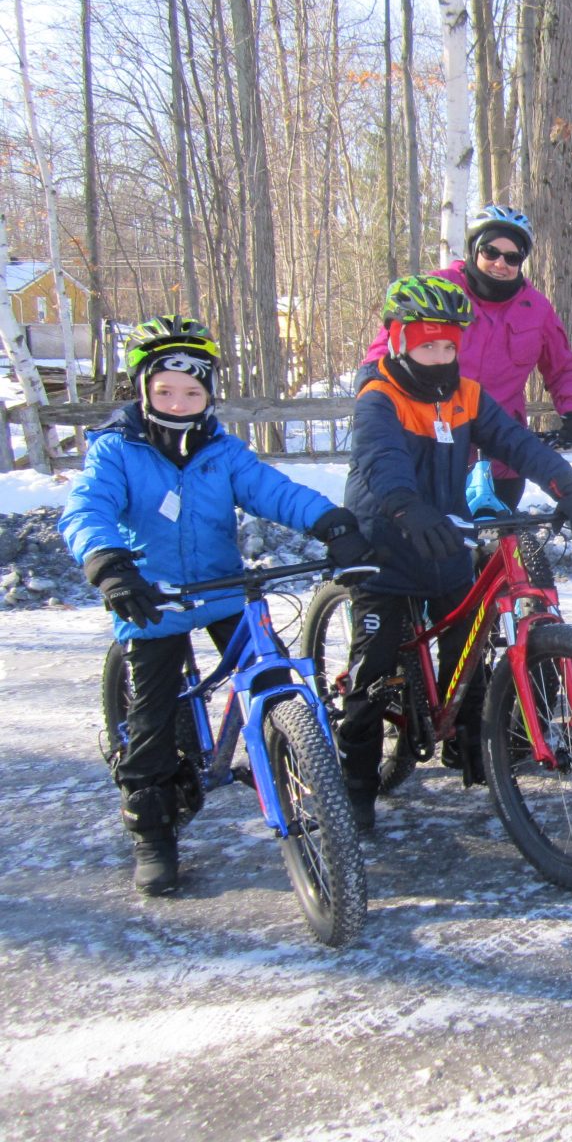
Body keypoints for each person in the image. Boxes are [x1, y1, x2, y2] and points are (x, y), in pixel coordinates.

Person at [60, 315, 373, 895]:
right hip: (152, 600)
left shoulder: (222, 452)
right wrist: (108, 564)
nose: (178, 403)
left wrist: (331, 523)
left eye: (193, 392)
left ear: (208, 396)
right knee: (152, 723)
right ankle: (152, 832)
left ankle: (297, 765)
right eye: (164, 391)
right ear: (143, 390)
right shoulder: (116, 451)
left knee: (278, 677)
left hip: (223, 590)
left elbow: (272, 491)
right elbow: (87, 510)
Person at [339, 276, 572, 830]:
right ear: (398, 342)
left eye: (447, 346)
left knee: (468, 651)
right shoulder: (378, 398)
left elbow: (519, 445)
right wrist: (406, 510)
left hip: (444, 540)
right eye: (426, 345)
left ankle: (471, 749)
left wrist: (571, 491)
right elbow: (382, 462)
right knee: (371, 676)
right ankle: (357, 787)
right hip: (385, 547)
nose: (439, 357)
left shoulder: (464, 394)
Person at [359, 204, 572, 508]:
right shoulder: (438, 291)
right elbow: (386, 352)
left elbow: (562, 367)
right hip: (433, 440)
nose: (500, 263)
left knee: (500, 544)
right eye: (490, 251)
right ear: (474, 249)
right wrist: (375, 399)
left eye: (512, 257)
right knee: (429, 535)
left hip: (501, 450)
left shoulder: (537, 309)